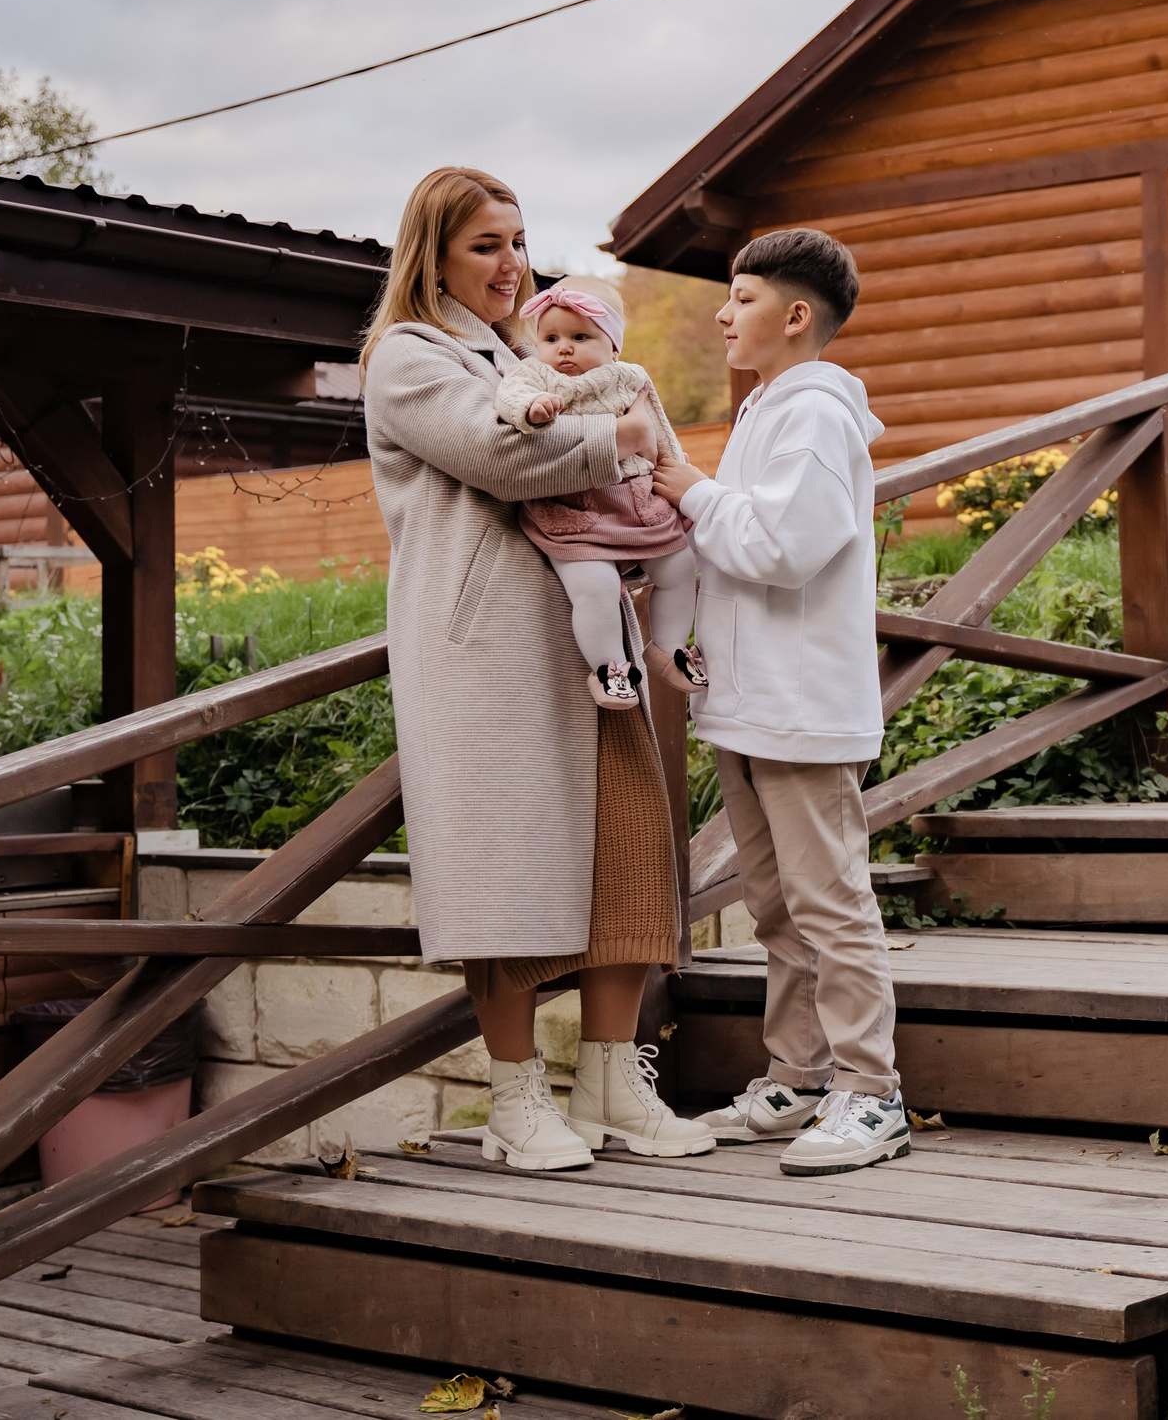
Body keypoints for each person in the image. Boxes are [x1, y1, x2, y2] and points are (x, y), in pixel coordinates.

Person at [361, 165, 714, 1171]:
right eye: (486, 244)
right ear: (431, 252)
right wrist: (628, 436)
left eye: (518, 242)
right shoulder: (409, 357)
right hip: (485, 652)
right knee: (503, 876)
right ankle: (515, 1106)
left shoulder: (532, 354)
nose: (511, 264)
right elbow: (499, 455)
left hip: (581, 639)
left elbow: (618, 460)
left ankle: (611, 1084)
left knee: (628, 849)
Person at [648, 227, 904, 1177]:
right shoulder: (763, 410)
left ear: (796, 316)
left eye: (742, 295)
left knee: (828, 900)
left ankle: (872, 1092)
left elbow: (785, 548)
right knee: (774, 905)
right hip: (750, 702)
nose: (722, 310)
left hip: (802, 705)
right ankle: (798, 1074)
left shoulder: (817, 414)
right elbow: (737, 554)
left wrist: (689, 487)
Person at [494, 277, 703, 709]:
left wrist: (679, 474)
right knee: (595, 586)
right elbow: (508, 394)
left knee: (679, 568)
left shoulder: (630, 377)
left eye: (579, 336)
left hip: (638, 500)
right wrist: (530, 410)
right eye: (550, 338)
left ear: (613, 347)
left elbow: (658, 429)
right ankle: (610, 668)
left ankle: (668, 648)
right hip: (574, 508)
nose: (563, 348)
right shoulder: (535, 374)